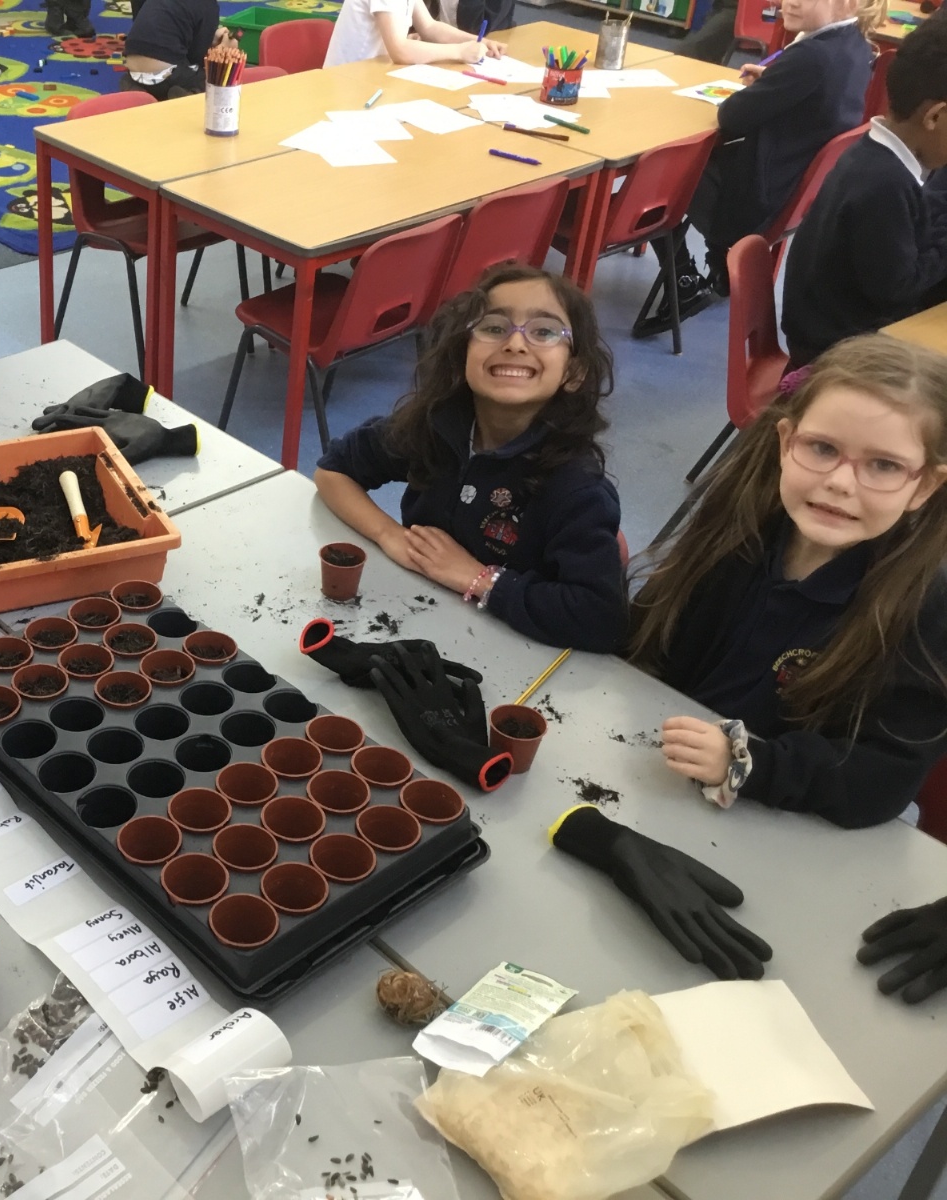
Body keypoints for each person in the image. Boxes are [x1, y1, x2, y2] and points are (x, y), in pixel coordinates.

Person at [629, 336, 947, 829]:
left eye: (883, 465)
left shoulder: (927, 607)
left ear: (924, 485)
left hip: (778, 822)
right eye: (823, 448)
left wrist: (749, 763)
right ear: (785, 443)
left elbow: (882, 778)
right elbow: (647, 640)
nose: (840, 482)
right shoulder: (740, 531)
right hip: (653, 774)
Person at [312, 265, 627, 653]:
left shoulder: (575, 486)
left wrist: (478, 578)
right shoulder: (437, 425)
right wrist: (388, 535)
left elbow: (601, 619)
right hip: (421, 622)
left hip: (518, 652)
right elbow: (333, 470)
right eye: (494, 327)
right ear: (463, 351)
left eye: (544, 332)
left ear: (573, 372)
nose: (515, 343)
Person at [652, 0, 874, 327]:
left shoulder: (811, 56)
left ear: (848, 4)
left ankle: (684, 280)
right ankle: (721, 265)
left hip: (756, 201)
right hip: (795, 191)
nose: (790, 2)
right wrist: (773, 82)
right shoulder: (856, 46)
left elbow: (731, 116)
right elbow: (812, 95)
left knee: (662, 172)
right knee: (703, 156)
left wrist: (769, 87)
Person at [781, 10, 947, 368]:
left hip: (835, 333)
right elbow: (897, 290)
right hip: (836, 357)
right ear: (934, 117)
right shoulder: (886, 184)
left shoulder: (875, 155)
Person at [323, 0, 504, 67]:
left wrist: (480, 41)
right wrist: (459, 51)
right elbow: (399, 50)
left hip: (375, 72)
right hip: (349, 79)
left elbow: (430, 27)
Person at [121, 0, 230, 100]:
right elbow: (197, 58)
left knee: (164, 60)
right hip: (166, 72)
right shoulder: (209, 5)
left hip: (132, 64)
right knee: (215, 79)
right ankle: (185, 94)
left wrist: (210, 38)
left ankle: (134, 84)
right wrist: (222, 47)